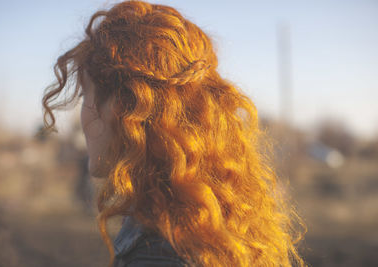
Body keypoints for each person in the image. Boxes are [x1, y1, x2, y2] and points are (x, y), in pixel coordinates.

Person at [42, 1, 306, 266]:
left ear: (122, 108)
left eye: (86, 96)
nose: (82, 116)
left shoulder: (157, 253)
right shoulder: (218, 219)